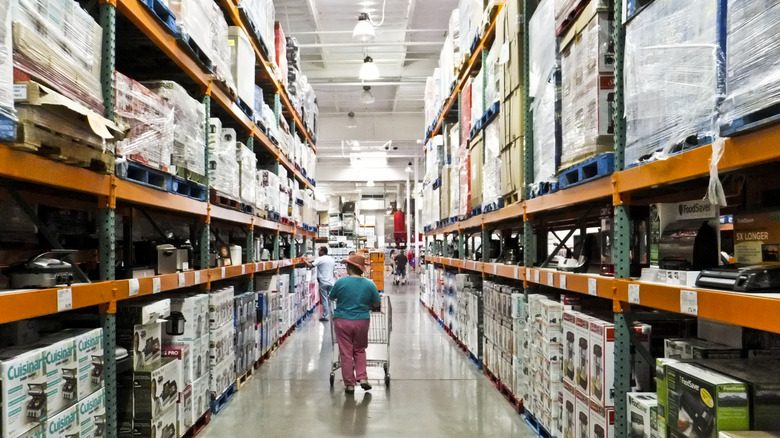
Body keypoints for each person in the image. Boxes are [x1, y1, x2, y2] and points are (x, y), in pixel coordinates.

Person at [330, 253, 381, 394]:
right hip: (362, 321)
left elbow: (332, 296)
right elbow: (376, 303)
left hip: (342, 320)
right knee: (359, 349)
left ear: (349, 267)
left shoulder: (340, 282)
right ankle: (362, 378)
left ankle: (349, 384)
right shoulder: (369, 284)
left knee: (346, 352)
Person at [305, 246, 335, 322]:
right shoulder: (331, 259)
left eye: (319, 250)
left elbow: (310, 266)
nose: (318, 252)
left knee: (324, 299)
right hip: (331, 282)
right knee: (331, 299)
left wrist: (303, 260)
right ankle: (334, 315)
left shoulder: (320, 259)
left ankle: (326, 316)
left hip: (323, 282)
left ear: (322, 251)